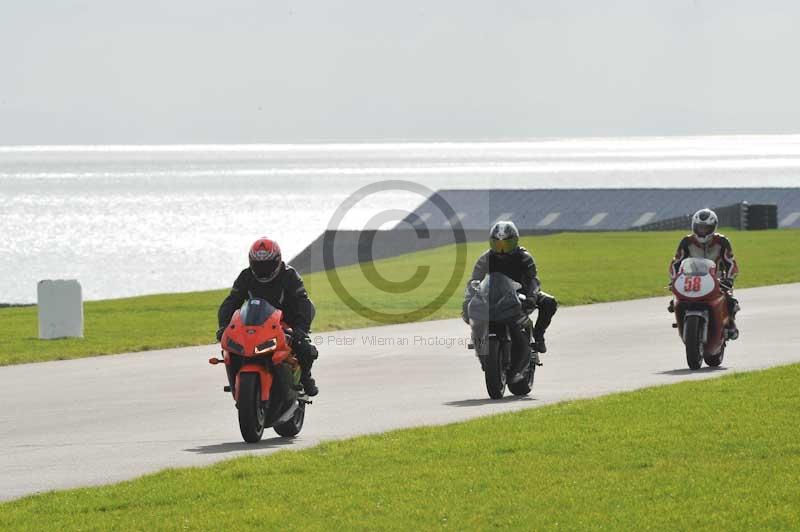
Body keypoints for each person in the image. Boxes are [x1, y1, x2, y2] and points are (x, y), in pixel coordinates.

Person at [217, 237, 319, 396]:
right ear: (251, 262)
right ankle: (236, 383)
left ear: (277, 261)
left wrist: (301, 330)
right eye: (259, 265)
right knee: (230, 349)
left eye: (267, 264)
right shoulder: (246, 276)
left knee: (305, 348)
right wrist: (223, 327)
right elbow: (231, 302)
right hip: (254, 324)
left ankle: (305, 378)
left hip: (285, 323)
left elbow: (302, 302)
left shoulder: (289, 275)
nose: (263, 269)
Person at [463, 220, 558, 357]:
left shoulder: (524, 257)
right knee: (474, 309)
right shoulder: (485, 258)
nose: (502, 249)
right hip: (495, 295)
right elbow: (474, 281)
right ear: (491, 243)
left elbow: (533, 280)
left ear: (515, 242)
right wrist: (468, 300)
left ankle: (538, 336)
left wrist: (531, 297)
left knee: (549, 302)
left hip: (522, 295)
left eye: (506, 244)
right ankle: (480, 341)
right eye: (498, 244)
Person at [669, 208, 740, 339]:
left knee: (731, 301)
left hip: (716, 279)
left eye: (706, 228)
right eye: (699, 228)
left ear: (713, 227)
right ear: (694, 227)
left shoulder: (722, 242)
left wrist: (729, 280)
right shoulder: (687, 241)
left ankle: (730, 324)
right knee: (675, 301)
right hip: (691, 277)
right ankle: (682, 322)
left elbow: (730, 262)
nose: (702, 231)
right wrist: (674, 279)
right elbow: (676, 262)